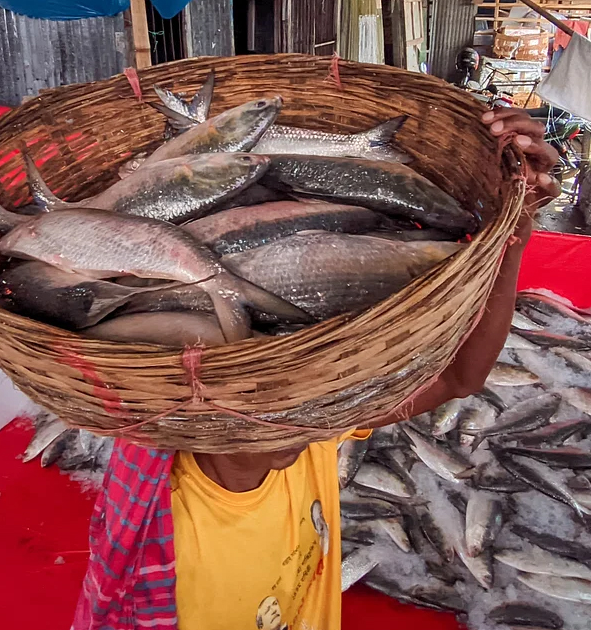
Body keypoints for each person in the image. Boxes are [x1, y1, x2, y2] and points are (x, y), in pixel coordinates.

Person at [70, 109, 561, 630]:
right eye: (267, 392)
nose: (291, 405)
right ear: (194, 399)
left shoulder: (304, 424)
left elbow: (460, 379)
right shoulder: (174, 555)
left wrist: (512, 242)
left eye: (297, 390)